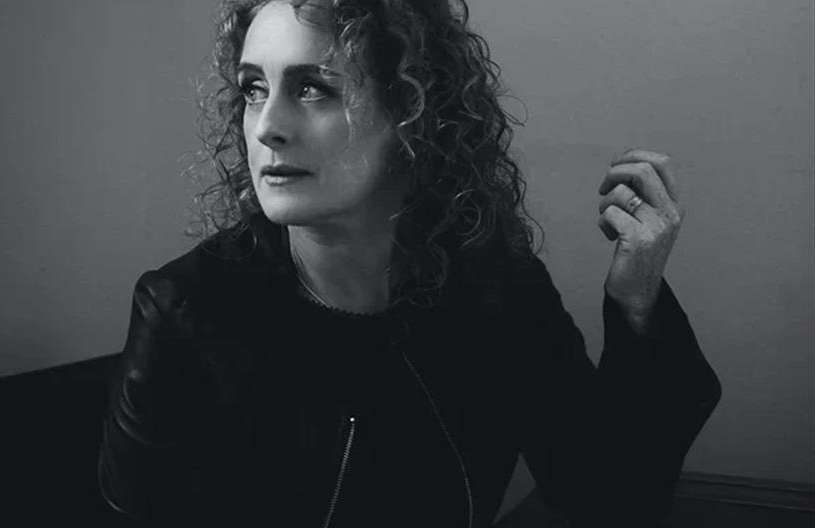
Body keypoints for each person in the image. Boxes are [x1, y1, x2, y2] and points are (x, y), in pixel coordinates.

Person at [97, 0, 722, 526]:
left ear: (413, 111)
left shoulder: (493, 289)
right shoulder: (183, 309)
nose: (266, 126)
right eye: (254, 89)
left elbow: (610, 502)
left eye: (312, 87)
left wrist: (636, 299)